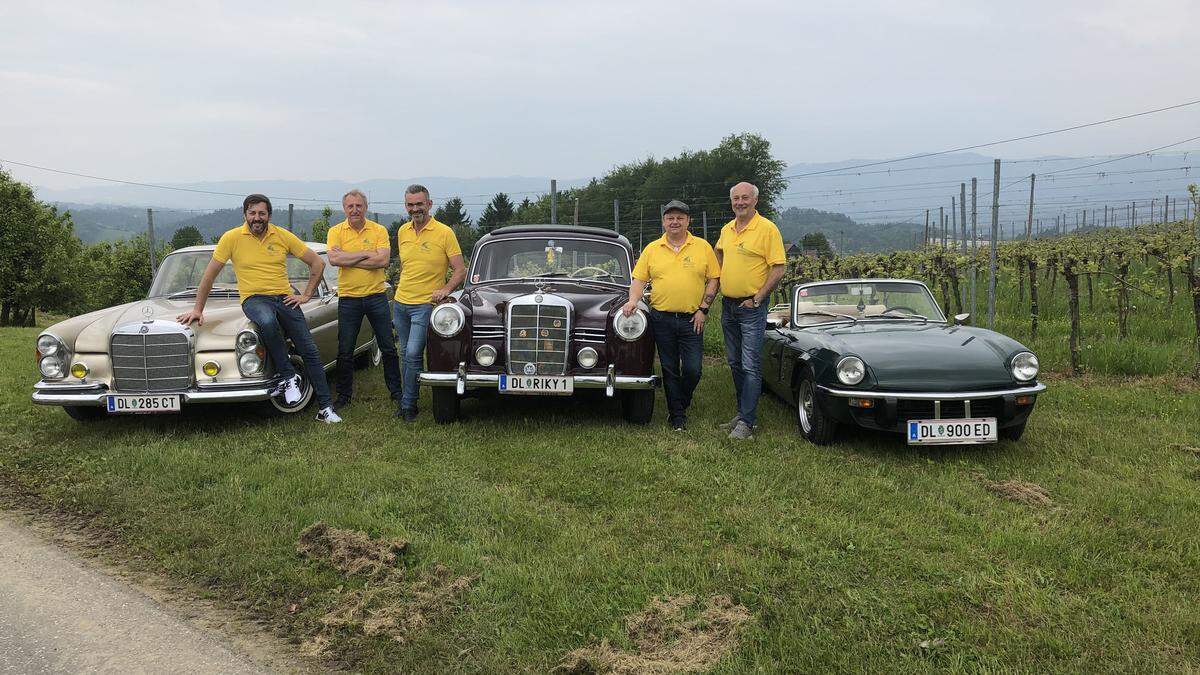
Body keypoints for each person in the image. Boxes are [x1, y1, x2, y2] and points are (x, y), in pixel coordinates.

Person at [176, 194, 340, 423]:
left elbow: (318, 263)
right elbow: (209, 275)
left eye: (261, 213)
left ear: (269, 216)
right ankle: (288, 376)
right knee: (267, 321)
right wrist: (198, 309)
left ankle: (326, 409)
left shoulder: (281, 235)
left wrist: (306, 295)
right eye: (252, 213)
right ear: (245, 215)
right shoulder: (231, 238)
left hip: (284, 298)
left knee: (309, 350)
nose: (257, 218)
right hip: (254, 299)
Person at [622, 200, 719, 431]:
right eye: (670, 218)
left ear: (688, 221)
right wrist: (632, 301)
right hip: (661, 318)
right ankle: (677, 416)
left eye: (680, 218)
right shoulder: (653, 249)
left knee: (694, 370)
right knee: (669, 368)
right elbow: (639, 280)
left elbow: (714, 278)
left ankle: (681, 401)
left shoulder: (702, 247)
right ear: (664, 221)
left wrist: (703, 309)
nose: (675, 222)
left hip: (691, 319)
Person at [715, 182, 786, 440]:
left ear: (755, 201)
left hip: (751, 307)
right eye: (736, 198)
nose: (740, 202)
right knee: (734, 363)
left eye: (745, 198)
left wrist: (757, 298)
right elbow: (718, 252)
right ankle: (743, 413)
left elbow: (778, 268)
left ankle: (747, 422)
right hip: (729, 305)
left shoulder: (767, 229)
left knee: (750, 364)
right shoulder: (727, 229)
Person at [392, 184, 467, 422]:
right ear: (406, 206)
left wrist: (445, 289)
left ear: (429, 204)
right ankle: (408, 397)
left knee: (414, 354)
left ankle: (408, 405)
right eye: (411, 205)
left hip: (424, 305)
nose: (415, 209)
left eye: (420, 204)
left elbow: (459, 270)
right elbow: (406, 265)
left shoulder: (444, 232)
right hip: (400, 303)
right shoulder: (403, 231)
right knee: (404, 353)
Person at [327, 189, 402, 412]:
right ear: (344, 209)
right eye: (350, 206)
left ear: (365, 207)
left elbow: (383, 261)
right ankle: (343, 395)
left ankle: (396, 391)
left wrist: (348, 258)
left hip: (376, 296)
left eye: (359, 206)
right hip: (349, 298)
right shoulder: (335, 231)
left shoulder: (378, 230)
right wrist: (366, 254)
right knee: (345, 350)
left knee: (388, 346)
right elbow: (333, 259)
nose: (355, 210)